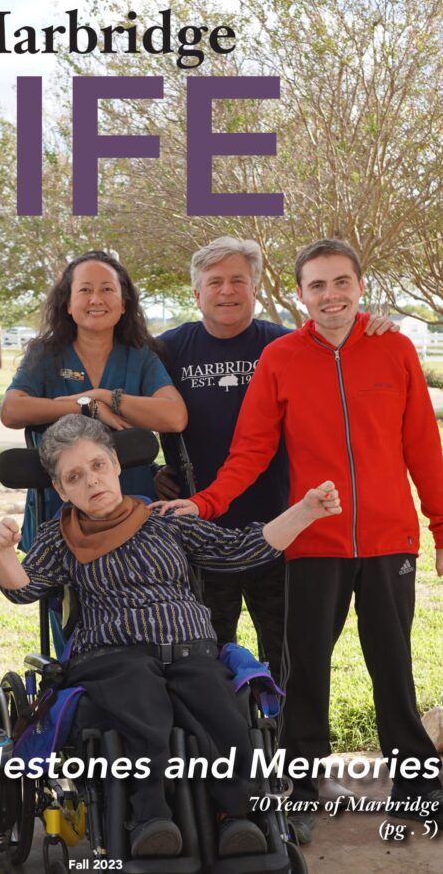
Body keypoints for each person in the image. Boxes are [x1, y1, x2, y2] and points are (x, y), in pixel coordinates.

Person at [158, 239, 443, 840]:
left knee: (393, 667)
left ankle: (419, 787)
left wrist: (440, 527)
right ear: (300, 294)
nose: (330, 295)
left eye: (340, 283)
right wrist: (205, 502)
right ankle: (301, 785)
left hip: (391, 540)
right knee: (306, 669)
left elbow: (423, 447)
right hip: (313, 540)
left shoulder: (394, 349)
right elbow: (252, 452)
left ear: (360, 286)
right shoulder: (281, 358)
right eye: (317, 286)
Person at [0, 414, 342, 859]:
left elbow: (239, 551)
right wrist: (2, 552)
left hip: (190, 648)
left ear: (115, 464)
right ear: (61, 490)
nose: (91, 481)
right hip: (113, 655)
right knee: (142, 702)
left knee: (220, 708)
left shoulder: (164, 521)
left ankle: (237, 817)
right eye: (74, 476)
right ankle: (150, 815)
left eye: (97, 465)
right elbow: (25, 587)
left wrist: (305, 510)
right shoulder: (61, 538)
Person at [155, 236, 400, 677]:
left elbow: (341, 348)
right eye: (215, 282)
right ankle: (224, 741)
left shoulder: (287, 346)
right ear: (197, 294)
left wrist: (372, 326)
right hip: (200, 533)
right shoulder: (167, 350)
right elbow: (129, 415)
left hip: (281, 528)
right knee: (206, 655)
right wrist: (153, 471)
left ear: (255, 288)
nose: (227, 290)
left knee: (290, 657)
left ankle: (280, 740)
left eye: (238, 280)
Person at [0, 250, 187, 551]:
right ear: (68, 304)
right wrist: (85, 406)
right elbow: (12, 411)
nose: (96, 299)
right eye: (85, 290)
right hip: (59, 510)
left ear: (124, 303)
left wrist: (103, 397)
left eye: (107, 289)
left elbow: (175, 417)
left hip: (130, 507)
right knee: (63, 595)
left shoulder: (140, 357)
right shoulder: (46, 354)